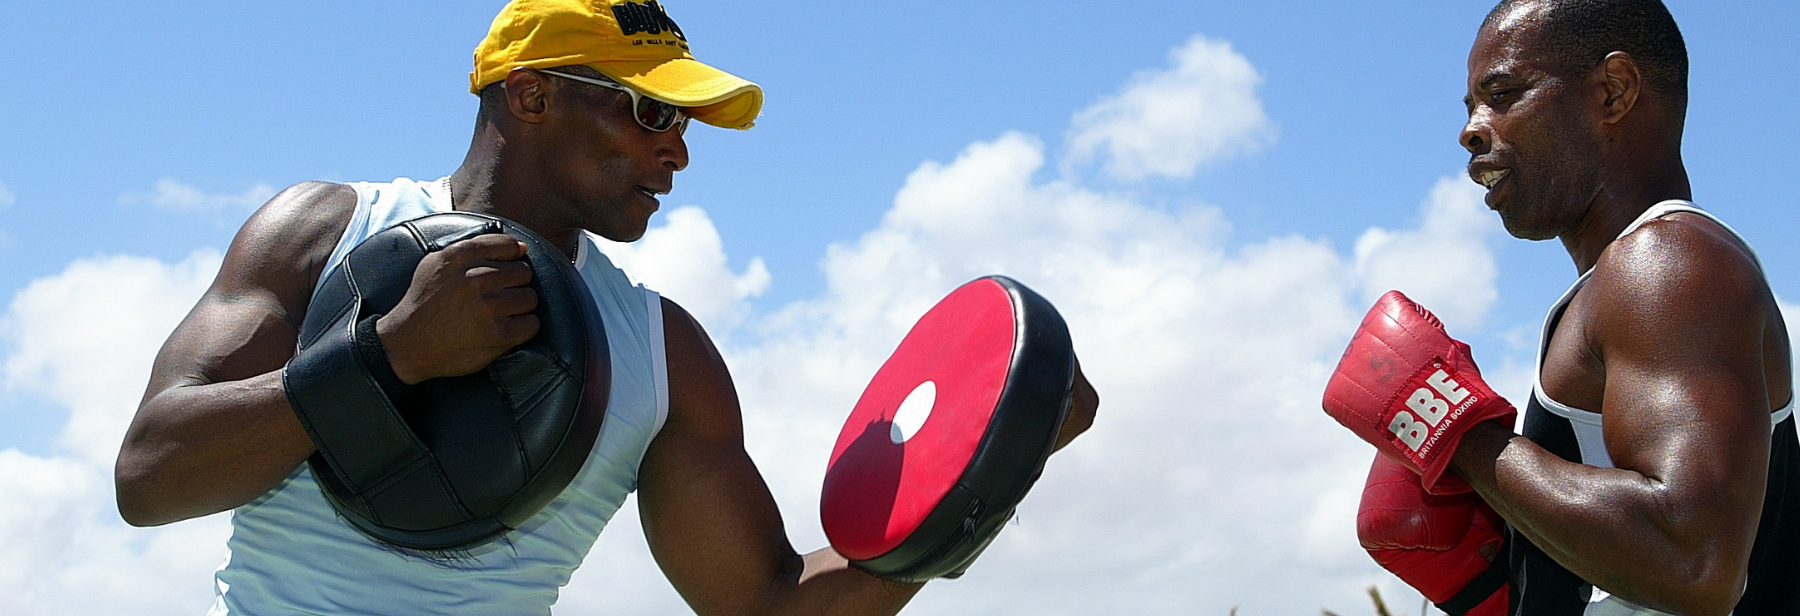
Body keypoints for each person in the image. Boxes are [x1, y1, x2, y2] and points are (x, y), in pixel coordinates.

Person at [111, 0, 1099, 614]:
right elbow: (150, 475)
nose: (678, 151)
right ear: (532, 94)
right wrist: (386, 359)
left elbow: (761, 606)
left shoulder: (665, 353)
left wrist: (989, 471)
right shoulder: (323, 229)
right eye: (653, 112)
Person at [1329, 1, 1798, 615]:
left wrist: (1459, 436)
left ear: (1613, 92)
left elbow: (1695, 563)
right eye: (1471, 105)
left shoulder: (1666, 262)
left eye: (1503, 94)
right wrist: (1513, 577)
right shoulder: (1619, 285)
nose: (1471, 129)